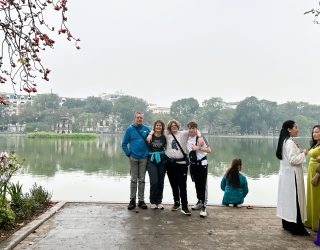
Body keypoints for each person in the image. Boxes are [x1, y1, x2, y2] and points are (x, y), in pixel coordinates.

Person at [275, 120, 309, 236]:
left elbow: (289, 157)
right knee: (295, 201)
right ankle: (297, 228)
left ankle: (288, 225)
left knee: (287, 201)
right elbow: (293, 160)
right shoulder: (289, 142)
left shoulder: (285, 141)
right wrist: (304, 153)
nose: (297, 129)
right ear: (289, 129)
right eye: (296, 127)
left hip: (286, 175)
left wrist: (298, 150)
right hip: (292, 176)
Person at [121, 111, 150, 210]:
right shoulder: (130, 129)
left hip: (144, 157)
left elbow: (153, 138)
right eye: (137, 117)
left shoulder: (147, 129)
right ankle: (132, 200)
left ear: (143, 118)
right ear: (135, 118)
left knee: (142, 180)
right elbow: (124, 144)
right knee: (133, 180)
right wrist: (128, 154)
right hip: (133, 157)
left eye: (141, 118)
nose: (139, 119)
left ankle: (141, 201)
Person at [164, 119, 191, 215]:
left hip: (181, 163)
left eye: (175, 125)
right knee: (173, 184)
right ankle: (176, 202)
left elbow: (194, 131)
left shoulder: (183, 134)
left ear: (178, 126)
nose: (174, 126)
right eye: (172, 125)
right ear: (169, 127)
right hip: (170, 163)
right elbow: (155, 130)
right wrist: (150, 134)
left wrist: (200, 136)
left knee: (182, 185)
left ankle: (185, 206)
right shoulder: (167, 135)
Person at [187, 121, 211, 218]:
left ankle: (204, 206)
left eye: (193, 128)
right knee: (196, 184)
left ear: (196, 129)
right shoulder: (187, 137)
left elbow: (209, 150)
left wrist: (198, 148)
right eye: (190, 128)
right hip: (193, 164)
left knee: (203, 185)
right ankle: (199, 201)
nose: (191, 130)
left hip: (202, 164)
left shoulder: (201, 138)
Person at [146, 120, 167, 209]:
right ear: (154, 127)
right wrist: (151, 133)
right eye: (157, 125)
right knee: (154, 182)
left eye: (160, 126)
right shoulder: (149, 136)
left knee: (160, 182)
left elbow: (166, 147)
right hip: (151, 161)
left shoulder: (164, 137)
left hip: (162, 161)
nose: (158, 127)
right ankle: (152, 201)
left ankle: (159, 201)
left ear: (162, 127)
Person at [305, 125, 320, 232]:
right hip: (311, 171)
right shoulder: (315, 144)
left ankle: (317, 225)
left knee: (317, 199)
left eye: (317, 132)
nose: (314, 134)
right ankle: (310, 222)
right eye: (313, 132)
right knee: (310, 197)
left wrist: (316, 176)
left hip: (317, 174)